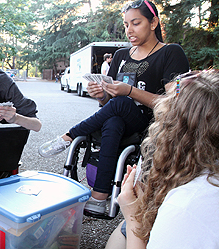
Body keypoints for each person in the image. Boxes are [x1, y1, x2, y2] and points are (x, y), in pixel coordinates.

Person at [38, 0, 190, 215]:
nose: (129, 30)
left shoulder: (171, 53)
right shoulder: (120, 56)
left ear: (153, 22)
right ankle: (99, 197)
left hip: (153, 125)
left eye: (136, 23)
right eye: (126, 24)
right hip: (122, 120)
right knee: (113, 119)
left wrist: (130, 91)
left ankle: (69, 136)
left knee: (121, 104)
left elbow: (175, 103)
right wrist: (101, 96)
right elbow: (110, 103)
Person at [105, 70, 219, 249]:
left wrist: (134, 216)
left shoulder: (185, 207)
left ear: (176, 131)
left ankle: (70, 136)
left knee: (126, 228)